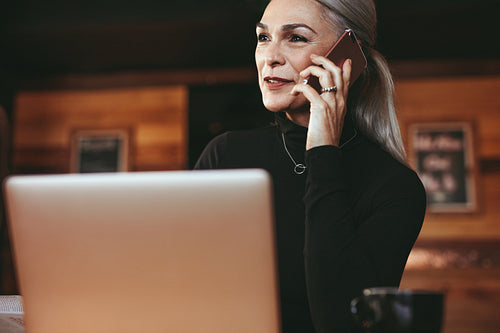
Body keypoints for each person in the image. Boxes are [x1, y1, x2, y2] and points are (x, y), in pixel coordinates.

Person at [194, 0, 426, 332]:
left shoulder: (395, 187)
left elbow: (340, 321)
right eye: (263, 38)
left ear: (348, 56)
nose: (270, 56)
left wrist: (322, 149)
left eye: (296, 38)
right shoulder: (226, 155)